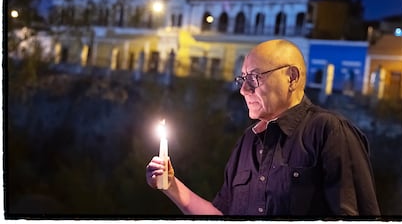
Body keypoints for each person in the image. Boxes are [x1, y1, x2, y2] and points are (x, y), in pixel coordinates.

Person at [145, 39, 380, 217]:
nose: (243, 90)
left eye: (254, 78)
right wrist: (171, 185)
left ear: (292, 78)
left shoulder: (328, 132)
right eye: (242, 79)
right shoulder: (247, 143)